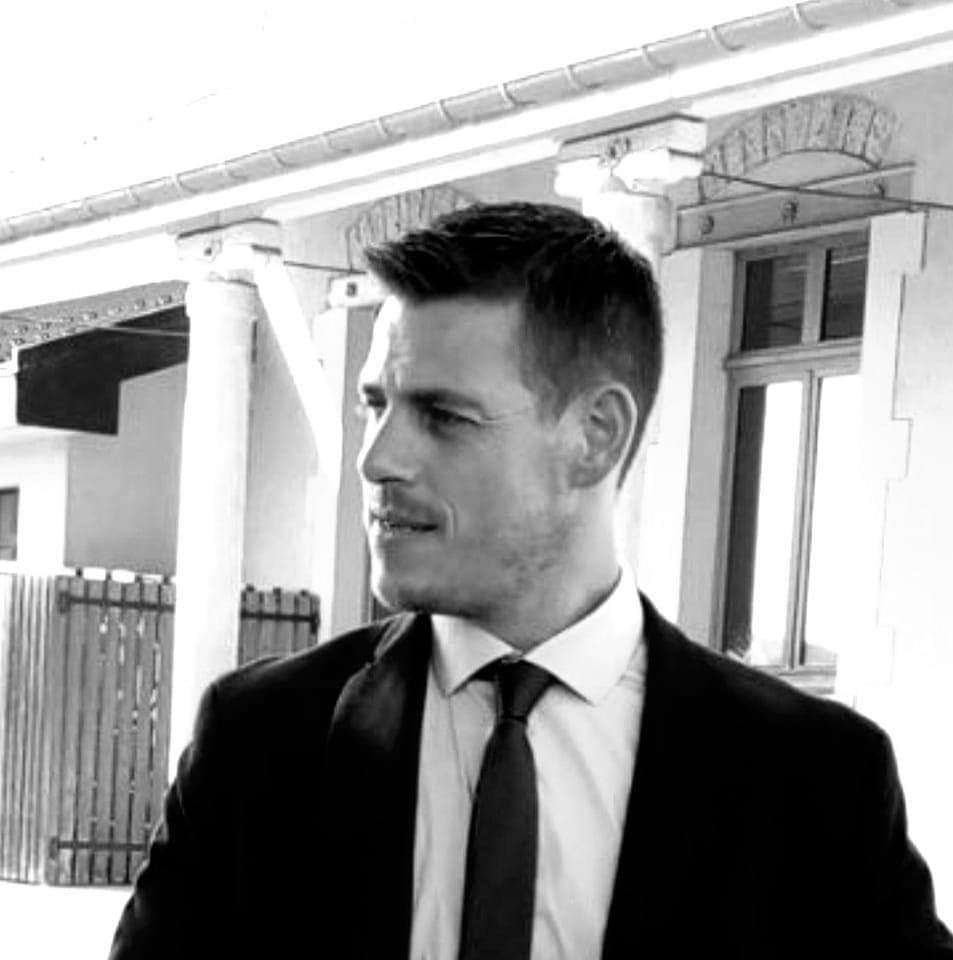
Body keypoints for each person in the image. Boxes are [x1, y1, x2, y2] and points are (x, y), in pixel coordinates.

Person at [109, 202, 953, 959]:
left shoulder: (812, 779)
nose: (378, 458)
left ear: (595, 435)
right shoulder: (259, 742)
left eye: (443, 415)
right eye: (376, 405)